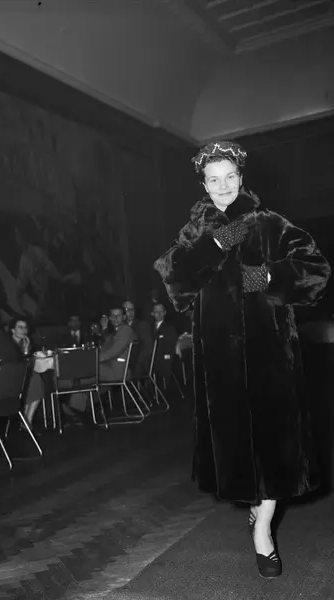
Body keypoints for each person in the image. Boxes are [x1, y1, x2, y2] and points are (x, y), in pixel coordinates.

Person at [154, 140, 331, 579]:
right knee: (236, 442)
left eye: (230, 177)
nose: (223, 187)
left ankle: (264, 528)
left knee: (277, 442)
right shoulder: (194, 232)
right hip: (220, 356)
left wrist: (269, 276)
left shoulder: (269, 223)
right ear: (203, 184)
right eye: (213, 180)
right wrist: (215, 244)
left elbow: (316, 268)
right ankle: (256, 506)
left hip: (272, 350)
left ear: (241, 177)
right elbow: (173, 278)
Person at [9, 317, 47, 427]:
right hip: (10, 376)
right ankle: (27, 421)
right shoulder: (8, 343)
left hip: (23, 374)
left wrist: (28, 351)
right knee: (35, 379)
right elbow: (15, 362)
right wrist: (26, 352)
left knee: (36, 379)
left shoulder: (26, 342)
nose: (24, 330)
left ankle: (26, 420)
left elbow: (28, 362)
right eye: (20, 327)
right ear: (13, 330)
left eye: (25, 327)